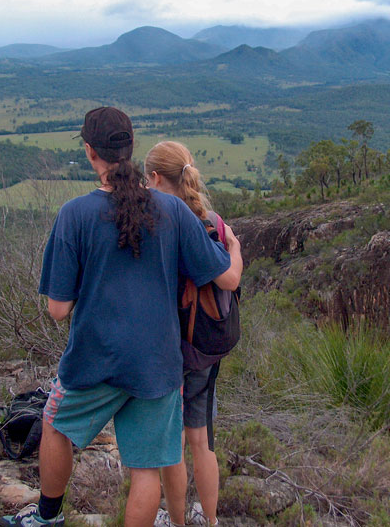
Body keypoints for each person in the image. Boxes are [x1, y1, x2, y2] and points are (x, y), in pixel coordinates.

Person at [0, 109, 242, 527]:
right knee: (145, 469)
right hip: (159, 364)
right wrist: (234, 249)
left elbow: (58, 310)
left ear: (90, 152)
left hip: (96, 358)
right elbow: (225, 277)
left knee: (55, 425)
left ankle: (47, 517)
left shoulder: (74, 215)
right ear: (131, 149)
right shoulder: (173, 210)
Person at [144, 141, 241, 527]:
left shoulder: (158, 222)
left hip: (168, 347)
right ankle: (211, 520)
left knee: (173, 444)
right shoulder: (211, 219)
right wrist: (235, 249)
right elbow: (229, 278)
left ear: (154, 177)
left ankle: (179, 521)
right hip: (204, 347)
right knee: (200, 438)